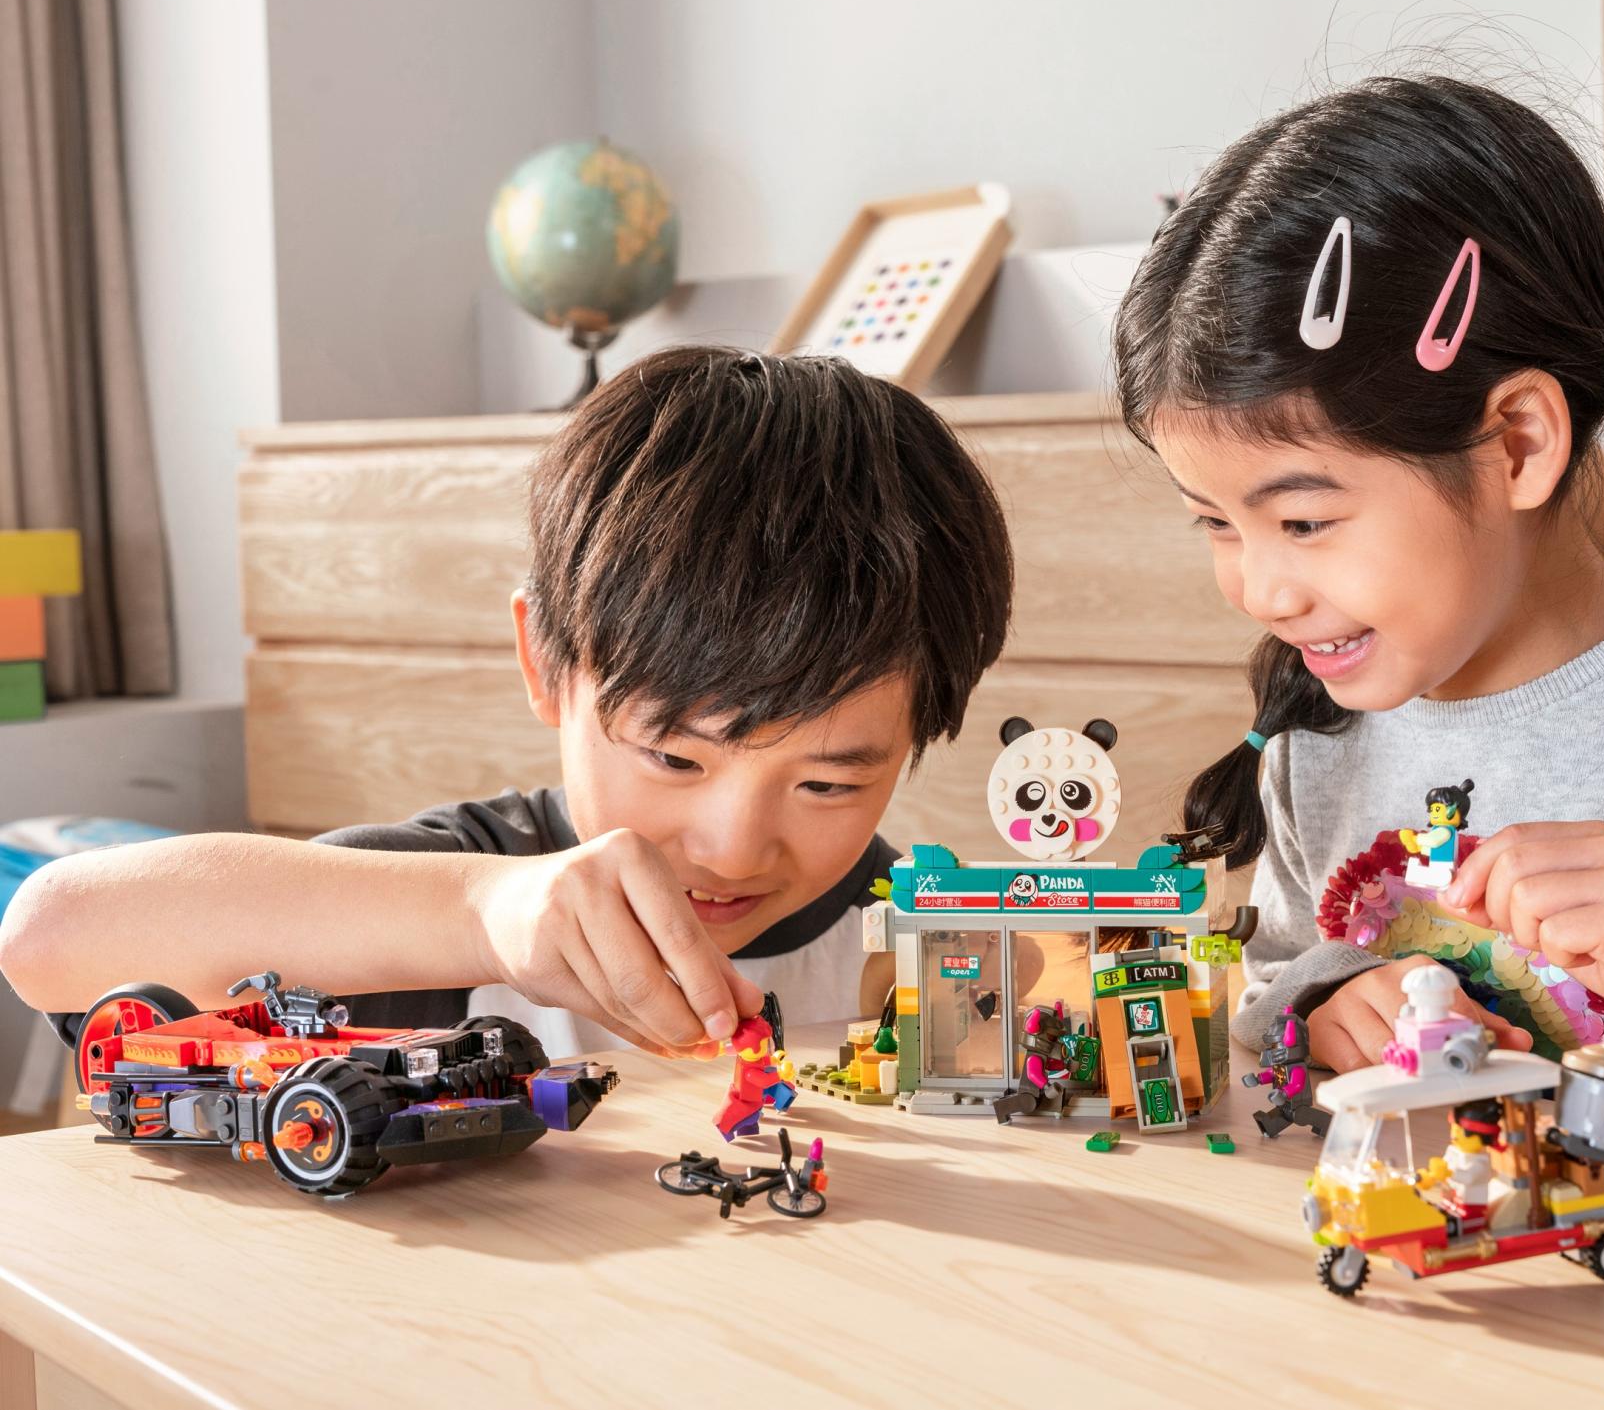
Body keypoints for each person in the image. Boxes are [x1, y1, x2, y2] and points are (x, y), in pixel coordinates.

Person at [1110, 76, 1604, 1167]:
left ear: (1518, 442)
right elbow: (1275, 987)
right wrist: (1328, 1010)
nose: (1260, 590)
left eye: (1302, 520)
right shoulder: (1316, 727)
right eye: (1215, 522)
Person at [1, 345, 1014, 1061]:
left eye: (828, 783)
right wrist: (482, 913)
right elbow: (48, 934)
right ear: (545, 663)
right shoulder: (450, 905)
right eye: (675, 758)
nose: (734, 849)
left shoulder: (919, 935)